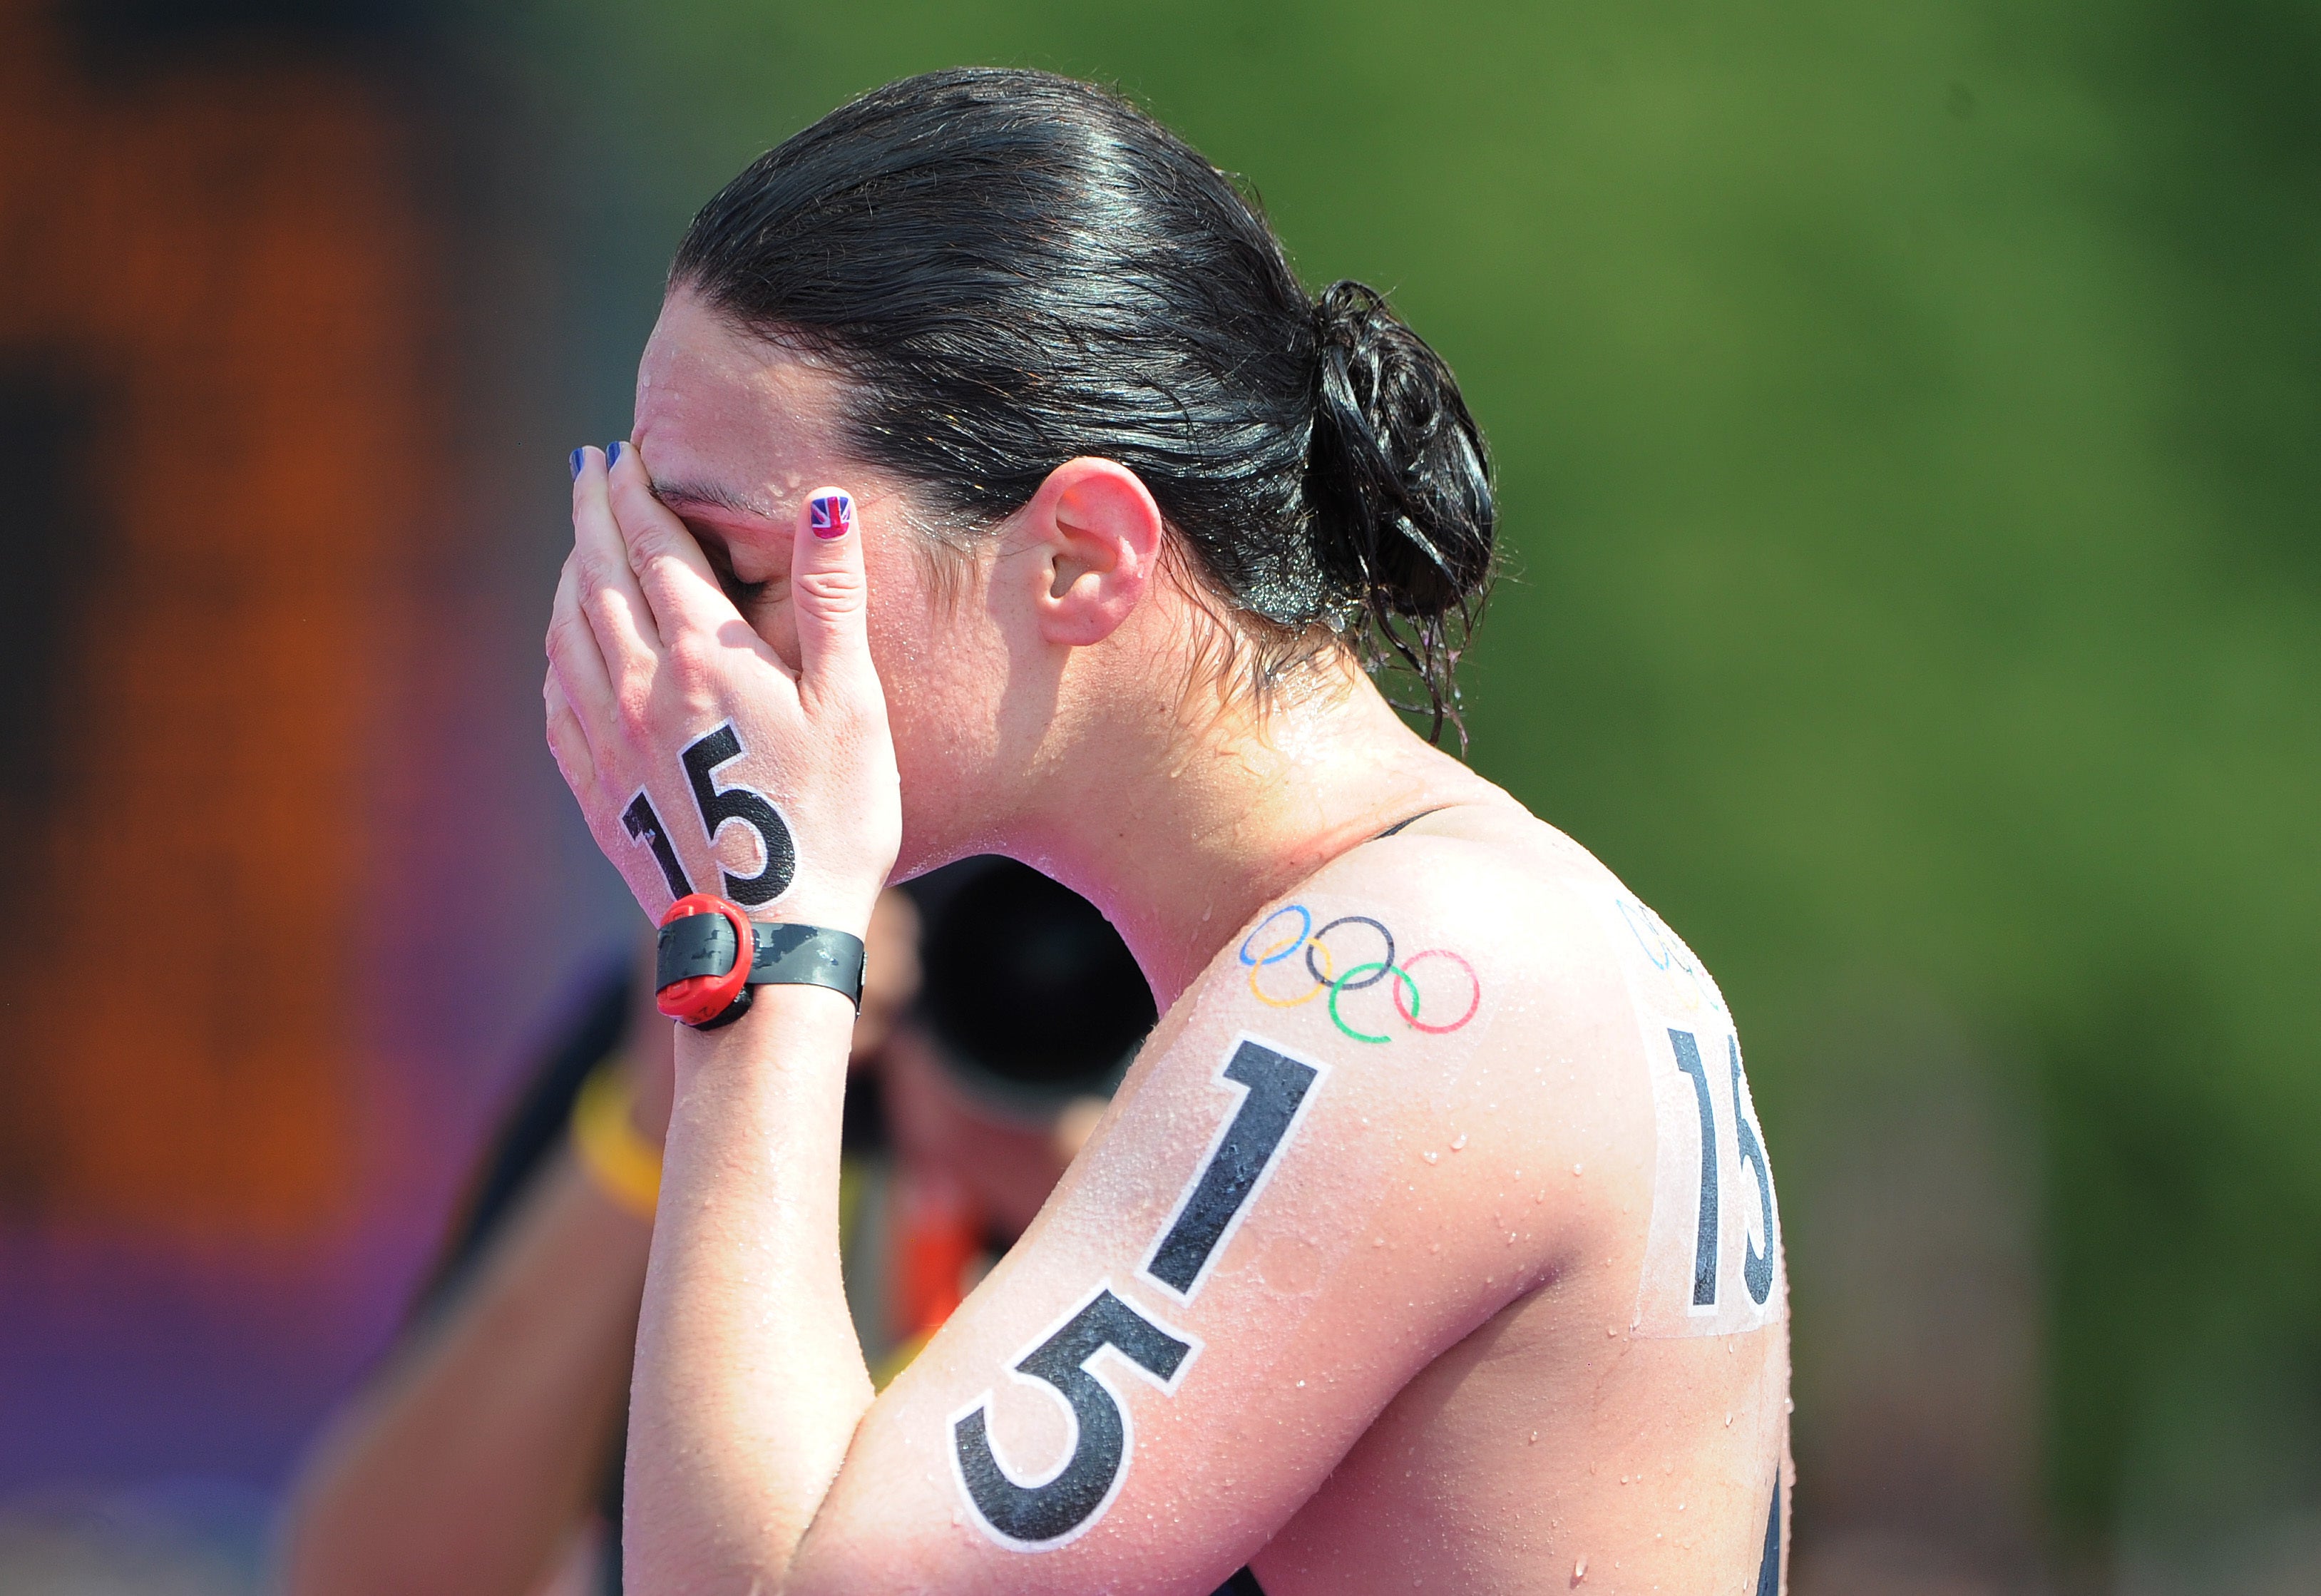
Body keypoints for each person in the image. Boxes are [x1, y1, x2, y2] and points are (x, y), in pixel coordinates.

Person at [542, 67, 1791, 1596]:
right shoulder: (1426, 932)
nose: (653, 644)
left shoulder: (1414, 978)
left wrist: (752, 935)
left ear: (1077, 557)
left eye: (719, 564)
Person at [280, 861, 1152, 1595]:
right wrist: (682, 1118)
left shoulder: (1231, 1037)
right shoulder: (742, 1013)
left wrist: (1101, 1205)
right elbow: (370, 1577)